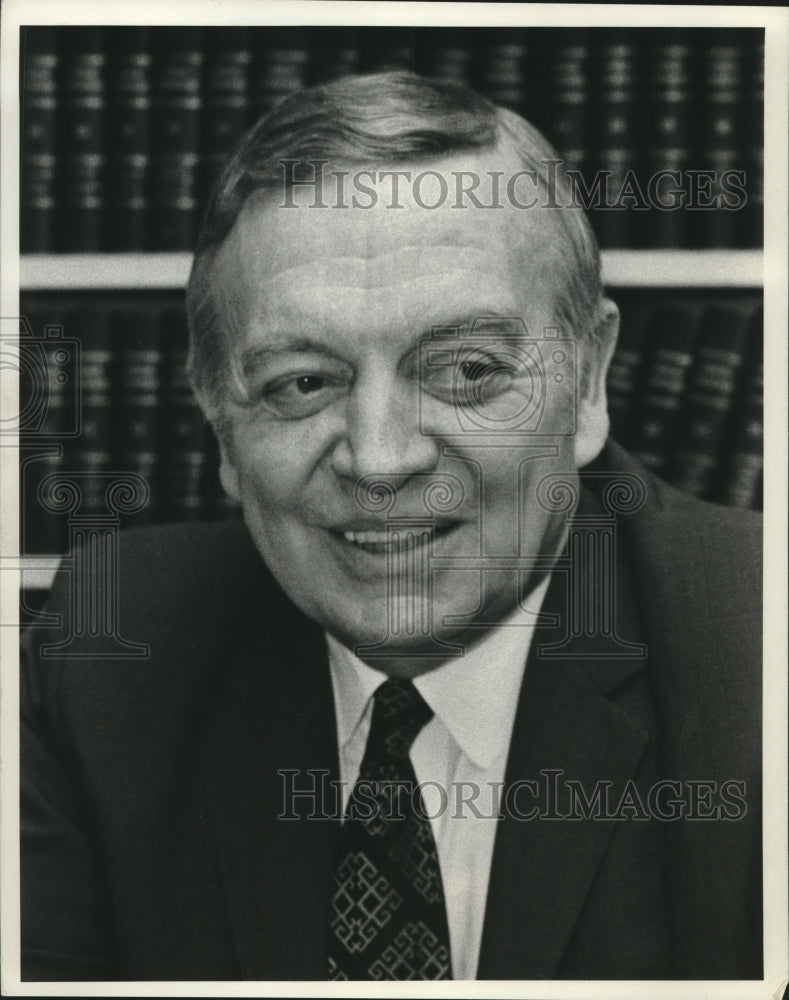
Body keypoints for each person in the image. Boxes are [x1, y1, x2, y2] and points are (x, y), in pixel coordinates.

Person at [20, 71, 762, 982]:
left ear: (588, 383)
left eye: (465, 371)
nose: (378, 460)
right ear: (219, 424)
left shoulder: (759, 667)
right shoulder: (111, 655)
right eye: (303, 382)